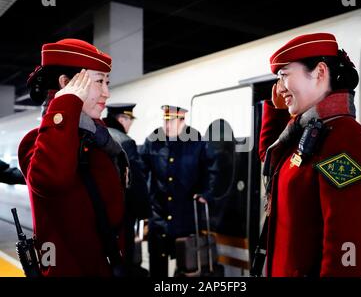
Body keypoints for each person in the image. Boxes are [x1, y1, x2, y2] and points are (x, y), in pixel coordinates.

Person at [259, 33, 361, 277]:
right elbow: (272, 159)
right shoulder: (308, 130)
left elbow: (345, 241)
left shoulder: (344, 137)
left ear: (320, 72)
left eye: (284, 76)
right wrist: (277, 110)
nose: (279, 89)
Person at [18, 38, 134, 276]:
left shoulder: (99, 139)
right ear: (66, 83)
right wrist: (64, 104)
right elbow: (51, 180)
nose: (107, 92)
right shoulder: (36, 143)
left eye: (107, 82)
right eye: (99, 81)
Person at [139, 105, 217, 277]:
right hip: (158, 216)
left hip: (186, 215)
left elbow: (211, 170)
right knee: (157, 266)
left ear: (182, 121)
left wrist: (206, 193)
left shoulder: (197, 142)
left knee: (187, 266)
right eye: (165, 120)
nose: (167, 125)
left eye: (171, 121)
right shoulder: (153, 141)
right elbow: (141, 171)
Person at [103, 103, 151, 276]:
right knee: (125, 261)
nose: (130, 124)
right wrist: (144, 212)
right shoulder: (125, 141)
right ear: (122, 119)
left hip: (100, 213)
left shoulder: (96, 134)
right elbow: (136, 182)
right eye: (130, 120)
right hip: (122, 215)